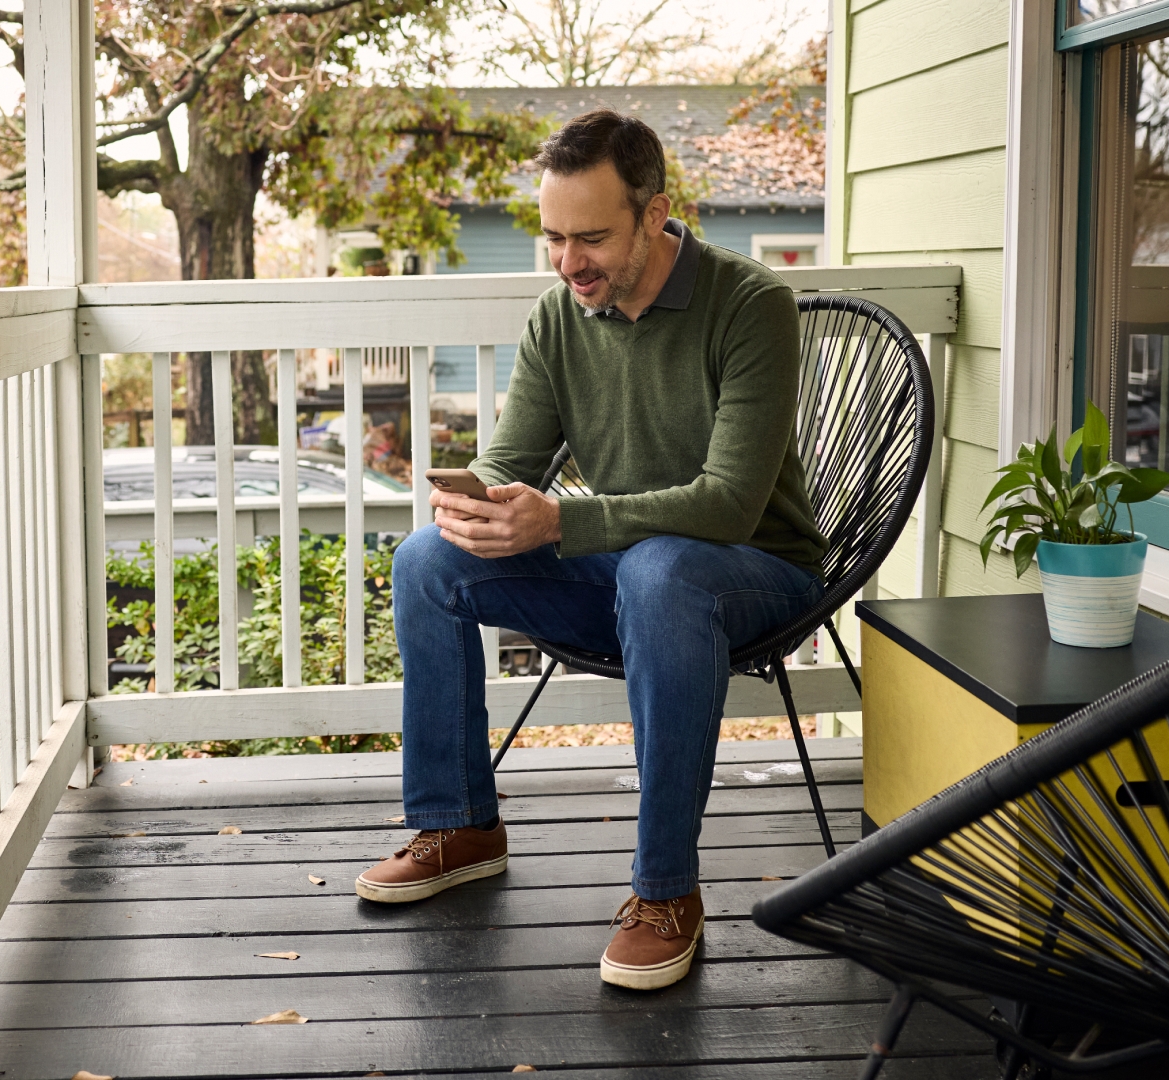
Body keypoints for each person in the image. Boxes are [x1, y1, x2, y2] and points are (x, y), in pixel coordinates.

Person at [353, 109, 826, 991]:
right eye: (554, 239)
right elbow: (513, 458)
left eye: (593, 238)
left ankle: (664, 894)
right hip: (631, 571)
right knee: (427, 560)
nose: (570, 264)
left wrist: (563, 523)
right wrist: (482, 500)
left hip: (756, 569)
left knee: (662, 569)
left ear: (655, 214)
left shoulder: (751, 304)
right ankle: (459, 825)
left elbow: (726, 504)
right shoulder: (559, 318)